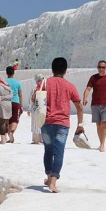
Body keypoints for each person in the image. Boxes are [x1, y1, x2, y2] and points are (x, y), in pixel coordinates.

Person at [39, 57, 84, 193]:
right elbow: (79, 107)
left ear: (52, 69)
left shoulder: (44, 83)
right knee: (59, 152)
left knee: (48, 150)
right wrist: (80, 124)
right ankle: (53, 182)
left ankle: (48, 177)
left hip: (46, 123)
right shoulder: (70, 86)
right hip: (62, 124)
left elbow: (35, 98)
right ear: (65, 70)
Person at [82, 60, 106, 152]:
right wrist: (85, 98)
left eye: (103, 67)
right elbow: (88, 89)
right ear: (97, 67)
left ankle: (102, 144)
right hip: (95, 104)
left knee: (104, 124)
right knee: (98, 125)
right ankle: (100, 142)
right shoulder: (93, 78)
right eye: (99, 67)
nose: (101, 69)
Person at [0, 75, 13, 144]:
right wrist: (5, 97)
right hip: (9, 104)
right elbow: (12, 96)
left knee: (1, 122)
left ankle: (2, 139)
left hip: (2, 105)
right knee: (7, 121)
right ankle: (6, 137)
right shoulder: (7, 86)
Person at [6, 66, 23, 143]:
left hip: (6, 102)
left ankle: (8, 134)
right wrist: (21, 105)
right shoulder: (17, 82)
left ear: (6, 73)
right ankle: (11, 132)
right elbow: (20, 95)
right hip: (15, 102)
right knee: (15, 119)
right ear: (14, 73)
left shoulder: (4, 82)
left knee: (7, 119)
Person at [27, 73, 45, 144]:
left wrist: (29, 108)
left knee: (35, 124)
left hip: (35, 108)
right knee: (42, 123)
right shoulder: (45, 86)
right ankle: (41, 139)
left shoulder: (35, 87)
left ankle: (36, 140)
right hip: (43, 108)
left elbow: (31, 99)